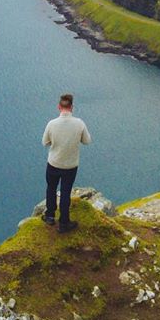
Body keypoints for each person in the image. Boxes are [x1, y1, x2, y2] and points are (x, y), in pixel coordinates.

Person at [42, 92, 92, 231]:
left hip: (54, 163)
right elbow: (87, 141)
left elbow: (45, 142)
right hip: (70, 165)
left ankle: (50, 216)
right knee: (65, 192)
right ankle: (64, 223)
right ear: (72, 107)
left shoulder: (52, 124)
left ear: (59, 107)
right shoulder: (79, 123)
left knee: (51, 188)